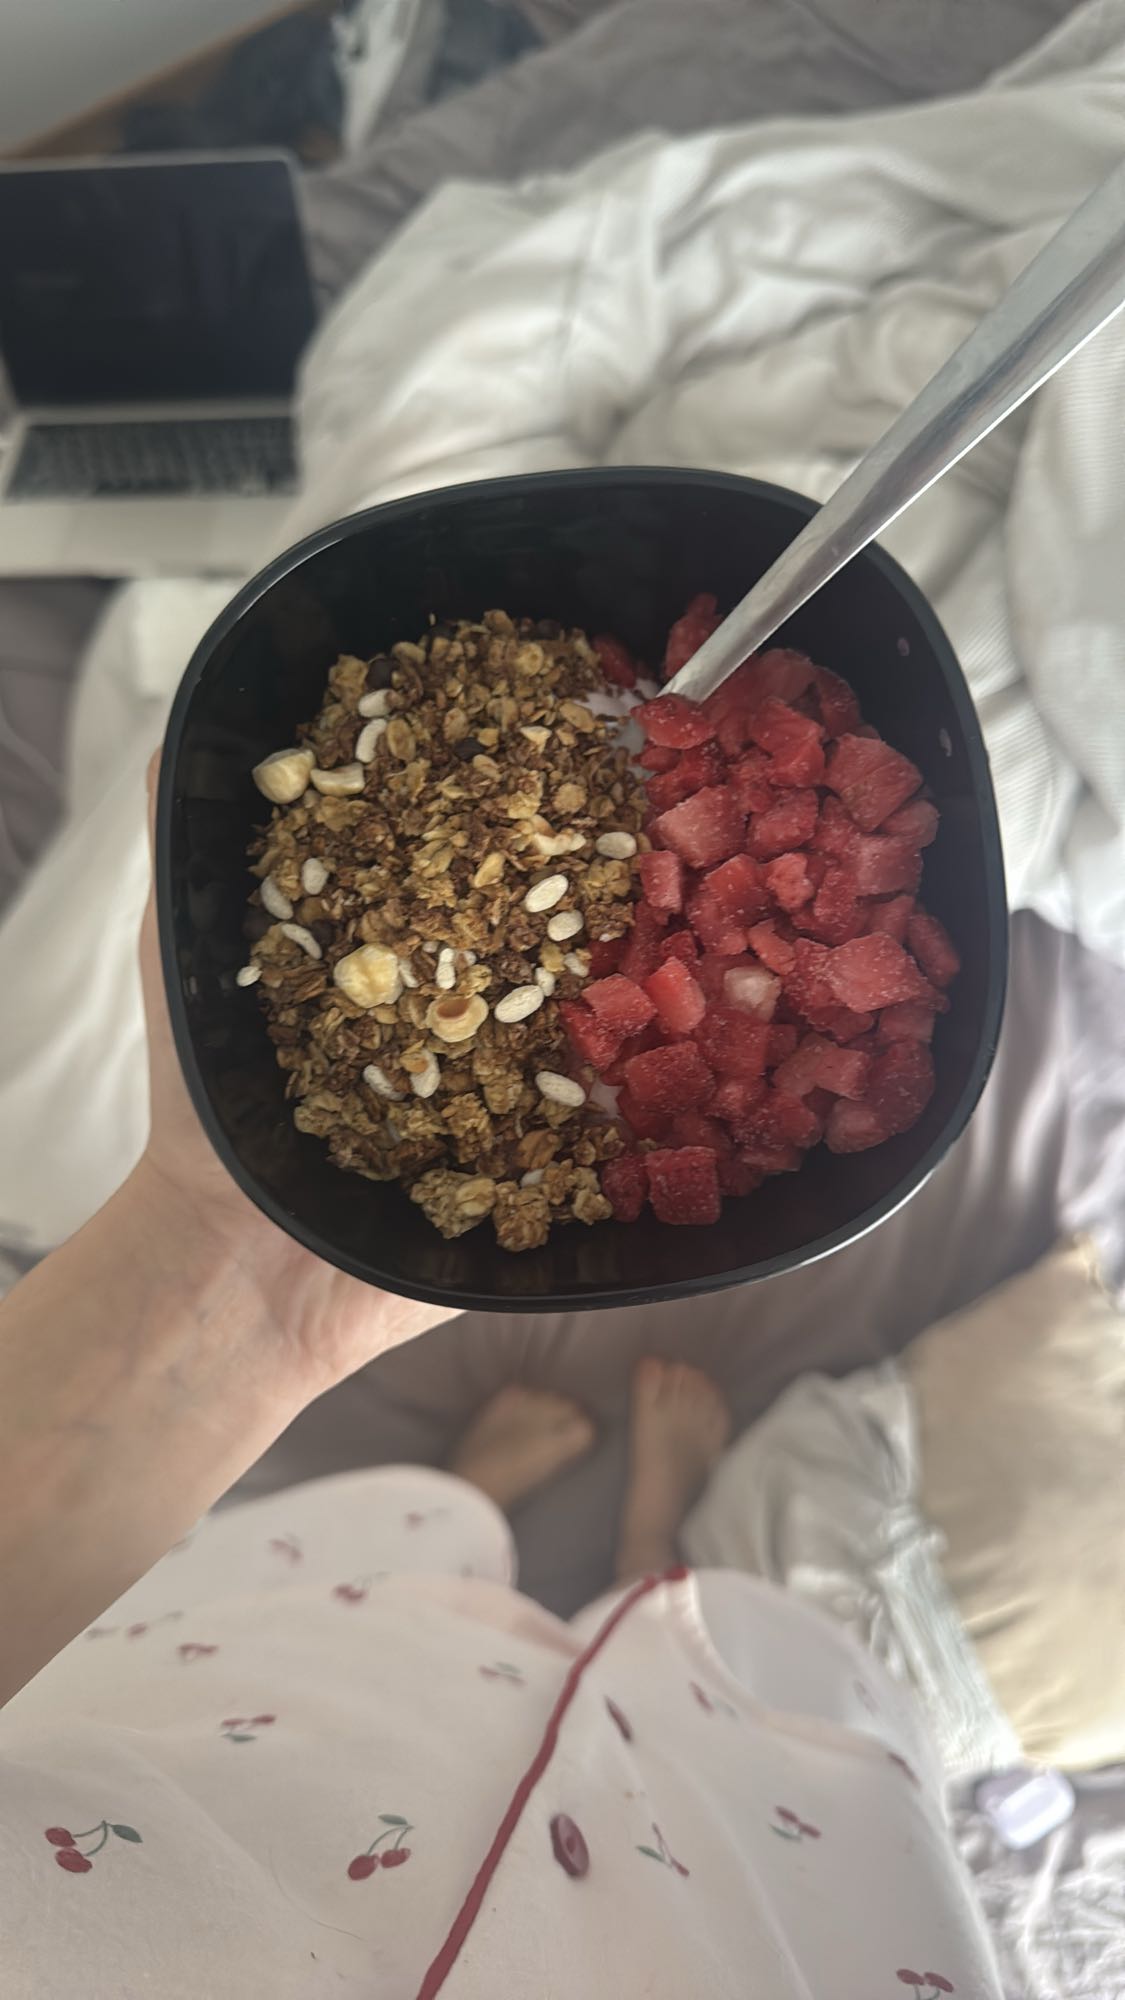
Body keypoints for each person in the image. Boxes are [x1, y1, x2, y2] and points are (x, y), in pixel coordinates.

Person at [0, 862, 1002, 2000]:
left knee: (346, 1643)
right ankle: (646, 1574)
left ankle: (448, 1520)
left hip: (207, 1757)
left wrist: (219, 1260)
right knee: (699, 1788)